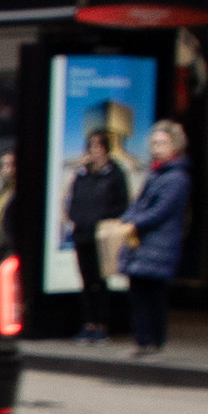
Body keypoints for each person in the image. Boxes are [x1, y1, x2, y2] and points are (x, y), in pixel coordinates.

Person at [120, 121, 193, 354]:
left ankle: (154, 340)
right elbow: (139, 203)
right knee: (138, 293)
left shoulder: (178, 178)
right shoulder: (154, 173)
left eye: (162, 143)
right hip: (141, 243)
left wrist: (134, 221)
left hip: (160, 244)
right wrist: (128, 218)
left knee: (153, 294)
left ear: (175, 146)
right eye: (154, 143)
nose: (156, 147)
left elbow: (161, 211)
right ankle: (142, 340)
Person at [62, 125, 130, 345]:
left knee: (100, 282)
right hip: (82, 233)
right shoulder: (81, 174)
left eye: (99, 146)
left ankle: (101, 324)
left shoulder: (115, 173)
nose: (95, 151)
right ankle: (88, 323)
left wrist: (105, 218)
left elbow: (122, 203)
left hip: (102, 234)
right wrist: (75, 218)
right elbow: (72, 199)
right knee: (86, 280)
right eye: (91, 146)